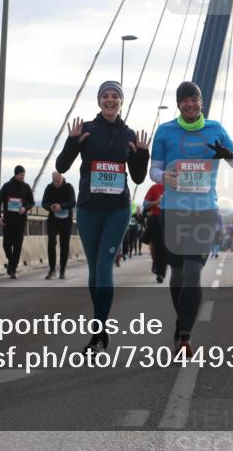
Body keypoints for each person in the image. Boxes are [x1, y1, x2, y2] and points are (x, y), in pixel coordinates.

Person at [151, 81, 233, 355]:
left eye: (194, 100)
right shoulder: (166, 131)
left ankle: (184, 337)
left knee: (193, 273)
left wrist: (227, 154)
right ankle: (183, 319)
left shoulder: (215, 129)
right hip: (172, 212)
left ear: (201, 102)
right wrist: (164, 176)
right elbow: (154, 170)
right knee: (178, 273)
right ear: (179, 104)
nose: (190, 105)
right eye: (185, 101)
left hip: (204, 211)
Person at [55, 80, 149, 353]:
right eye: (105, 96)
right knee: (94, 268)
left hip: (117, 209)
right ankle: (100, 327)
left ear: (121, 102)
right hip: (88, 207)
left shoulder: (128, 134)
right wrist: (72, 143)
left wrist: (141, 155)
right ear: (99, 101)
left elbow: (139, 177)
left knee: (105, 265)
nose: (110, 100)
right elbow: (62, 165)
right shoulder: (85, 130)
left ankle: (98, 332)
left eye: (115, 97)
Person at [0, 165, 34, 279]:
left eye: (24, 175)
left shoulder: (26, 187)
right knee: (6, 244)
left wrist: (25, 208)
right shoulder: (7, 186)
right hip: (8, 221)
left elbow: (31, 202)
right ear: (16, 174)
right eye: (21, 175)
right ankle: (11, 261)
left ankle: (12, 270)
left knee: (17, 246)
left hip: (20, 221)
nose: (23, 177)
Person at [41, 171, 75, 280]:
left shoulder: (69, 187)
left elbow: (73, 202)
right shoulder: (49, 188)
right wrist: (50, 207)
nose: (55, 184)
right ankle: (52, 269)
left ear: (62, 178)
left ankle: (62, 270)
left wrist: (62, 206)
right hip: (53, 220)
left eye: (57, 181)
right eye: (54, 181)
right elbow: (44, 203)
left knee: (64, 245)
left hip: (66, 220)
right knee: (51, 242)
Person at [143, 182, 166, 283]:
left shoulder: (177, 187)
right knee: (156, 246)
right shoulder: (155, 187)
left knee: (164, 246)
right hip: (156, 220)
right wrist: (157, 202)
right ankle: (157, 266)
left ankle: (161, 272)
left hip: (172, 220)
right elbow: (145, 204)